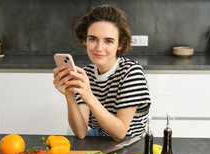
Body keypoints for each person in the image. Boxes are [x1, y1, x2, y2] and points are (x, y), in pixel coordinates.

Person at [53, 4, 151, 141]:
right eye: (93, 39)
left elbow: (120, 133)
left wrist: (89, 96)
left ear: (120, 44)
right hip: (98, 141)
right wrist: (69, 96)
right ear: (85, 40)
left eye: (108, 41)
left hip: (129, 145)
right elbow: (81, 132)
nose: (99, 48)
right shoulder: (86, 74)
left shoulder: (131, 72)